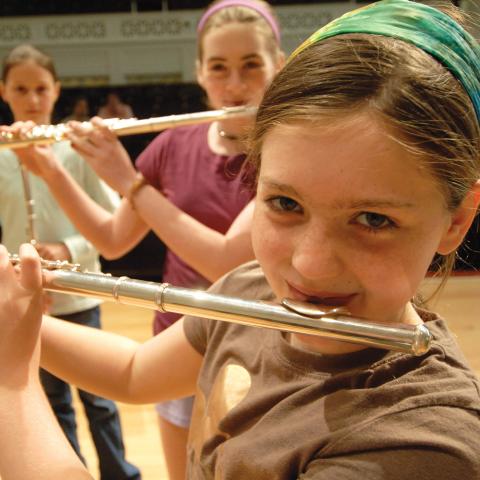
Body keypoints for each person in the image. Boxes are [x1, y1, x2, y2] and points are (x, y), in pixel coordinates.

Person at [2, 0, 480, 478]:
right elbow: (133, 371)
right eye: (286, 204)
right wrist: (15, 321)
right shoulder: (253, 285)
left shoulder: (424, 443)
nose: (310, 266)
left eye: (374, 219)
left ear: (457, 220)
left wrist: (12, 384)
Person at [12, 2, 284, 478]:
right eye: (219, 68)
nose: (235, 86)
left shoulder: (288, 153)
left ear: (277, 65)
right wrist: (51, 170)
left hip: (262, 351)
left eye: (251, 66)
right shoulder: (173, 145)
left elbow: (224, 263)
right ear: (200, 71)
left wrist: (129, 183)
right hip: (175, 344)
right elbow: (113, 240)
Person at [0, 44, 140, 479]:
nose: (32, 99)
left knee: (99, 400)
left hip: (77, 294)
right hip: (26, 301)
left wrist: (66, 251)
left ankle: (119, 473)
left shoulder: (74, 151)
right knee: (52, 401)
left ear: (56, 90)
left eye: (41, 88)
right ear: (4, 91)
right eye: (21, 89)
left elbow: (113, 223)